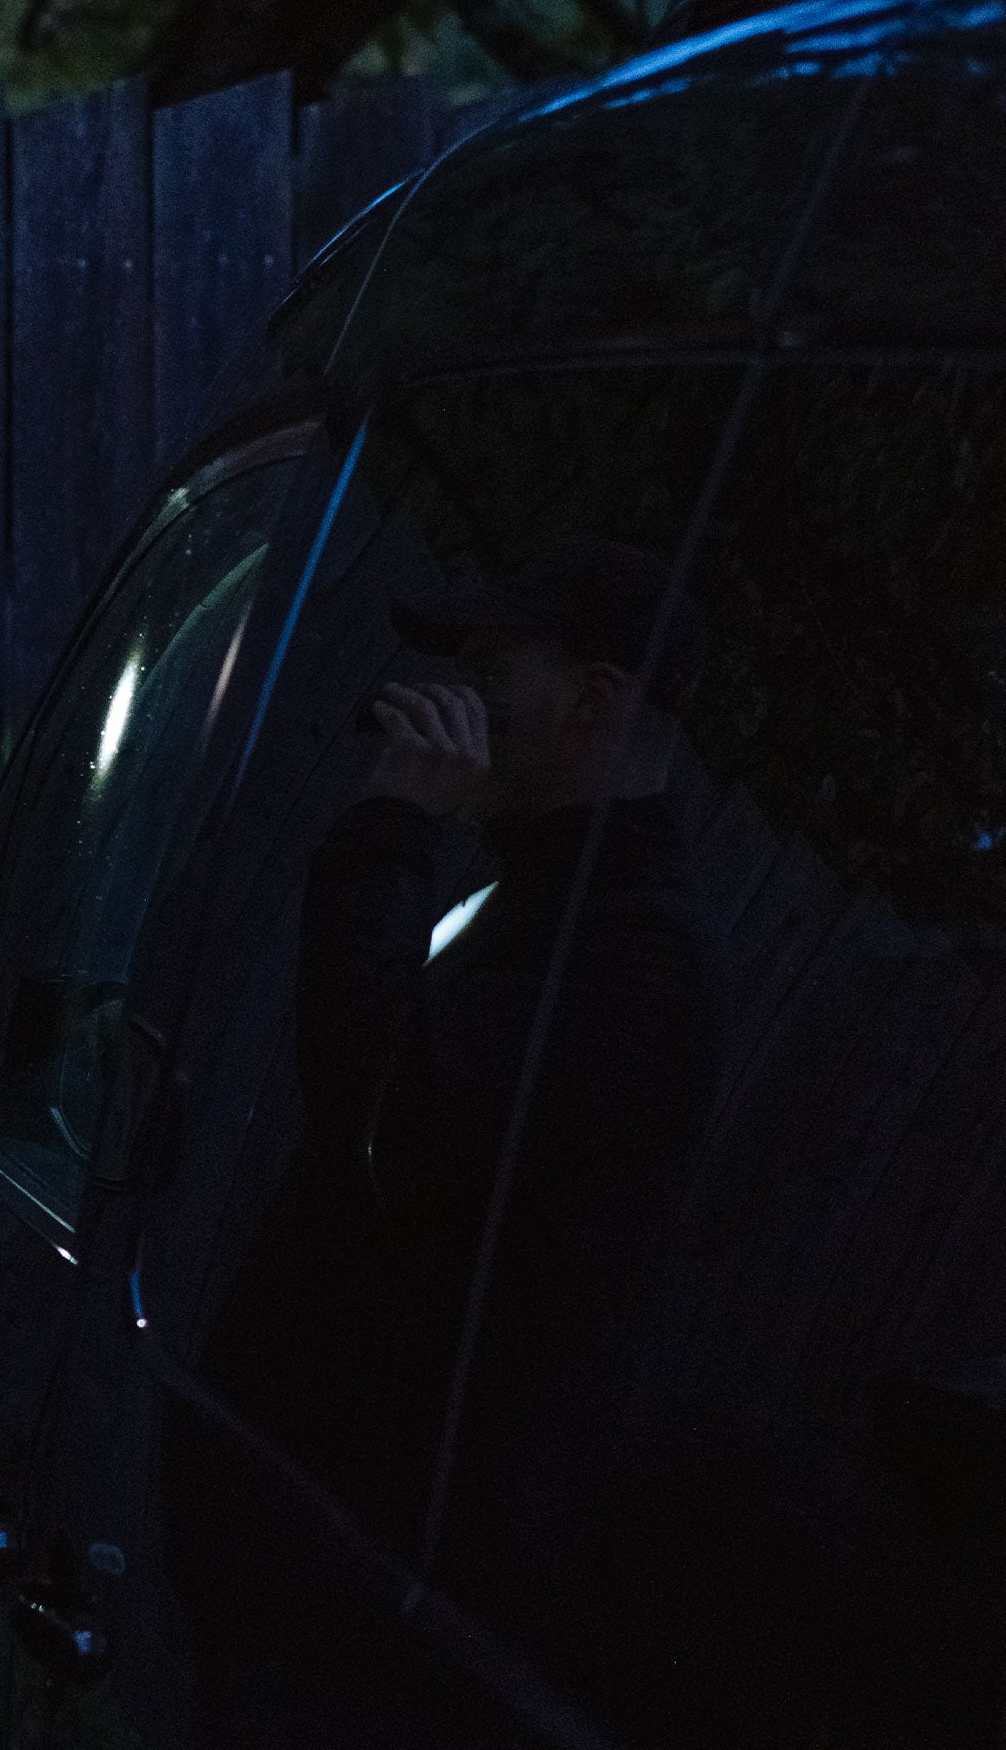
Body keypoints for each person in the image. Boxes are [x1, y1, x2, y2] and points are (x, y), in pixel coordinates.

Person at [289, 533, 734, 1696]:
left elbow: (376, 1097)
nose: (451, 709)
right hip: (367, 1539)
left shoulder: (634, 949)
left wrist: (389, 825)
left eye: (490, 678)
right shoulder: (547, 891)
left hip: (429, 1584)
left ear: (588, 699)